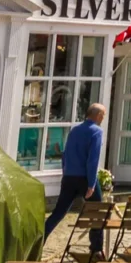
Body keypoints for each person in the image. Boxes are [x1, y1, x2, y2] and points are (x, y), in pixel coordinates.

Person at [43, 103, 107, 254]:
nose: (103, 118)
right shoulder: (96, 131)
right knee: (98, 212)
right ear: (98, 116)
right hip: (85, 178)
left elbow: (65, 155)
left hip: (70, 177)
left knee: (59, 212)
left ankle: (39, 240)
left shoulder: (75, 130)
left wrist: (66, 173)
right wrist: (91, 184)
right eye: (103, 115)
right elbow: (93, 160)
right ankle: (96, 249)